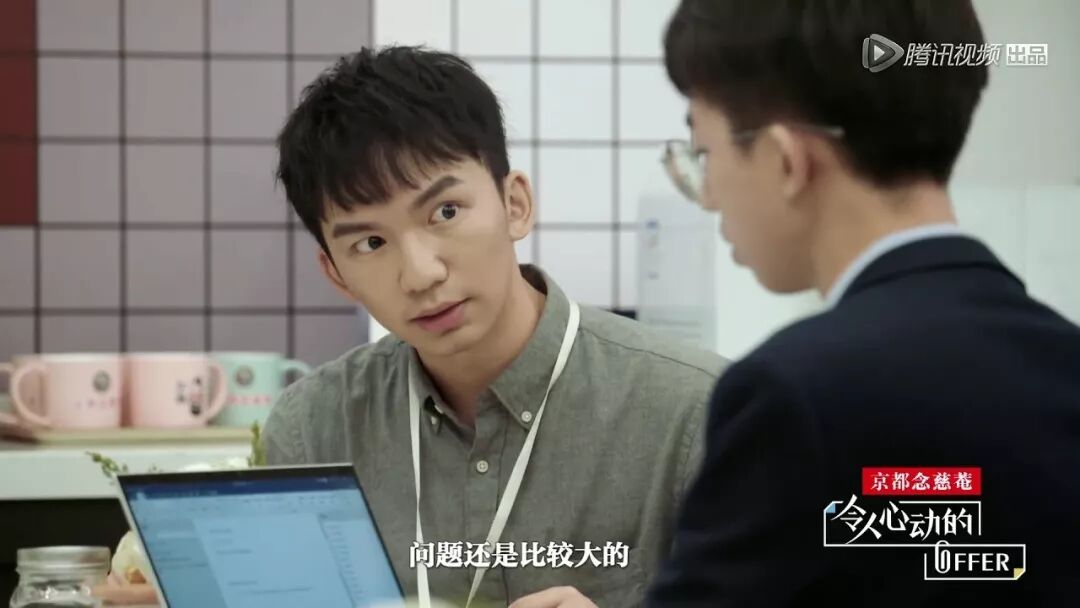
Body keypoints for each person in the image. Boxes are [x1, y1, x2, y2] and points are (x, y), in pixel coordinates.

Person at [647, 1, 1080, 606]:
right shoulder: (1064, 360)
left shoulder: (788, 394)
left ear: (786, 160)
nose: (710, 196)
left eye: (703, 156)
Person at [265, 46, 727, 608]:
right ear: (337, 274)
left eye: (445, 212)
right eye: (371, 243)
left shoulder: (698, 411)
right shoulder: (313, 430)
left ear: (515, 205)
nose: (421, 274)